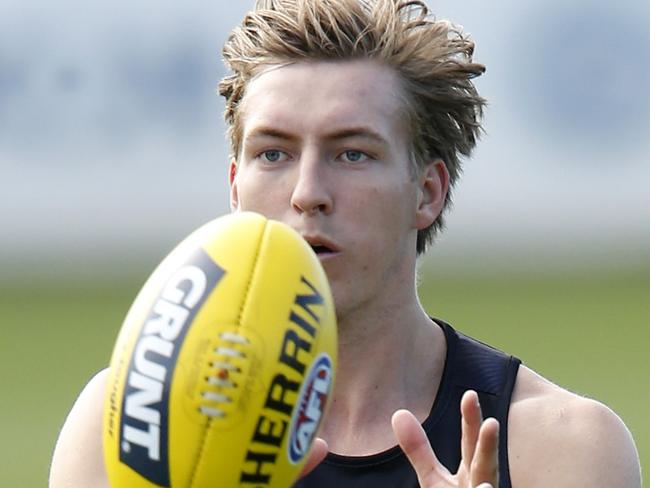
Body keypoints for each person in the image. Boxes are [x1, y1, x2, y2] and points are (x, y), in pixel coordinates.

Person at [50, 1, 641, 487]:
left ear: (427, 192)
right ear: (235, 187)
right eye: (273, 154)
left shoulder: (560, 446)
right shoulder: (136, 427)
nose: (308, 193)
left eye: (352, 153)